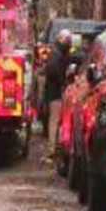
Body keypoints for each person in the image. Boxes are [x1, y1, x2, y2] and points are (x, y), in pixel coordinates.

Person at [43, 29, 73, 163]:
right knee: (55, 121)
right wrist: (63, 82)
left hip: (54, 92)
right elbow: (53, 71)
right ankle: (52, 150)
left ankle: (54, 149)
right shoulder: (57, 54)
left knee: (55, 121)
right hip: (55, 93)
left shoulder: (57, 53)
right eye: (68, 40)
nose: (69, 43)